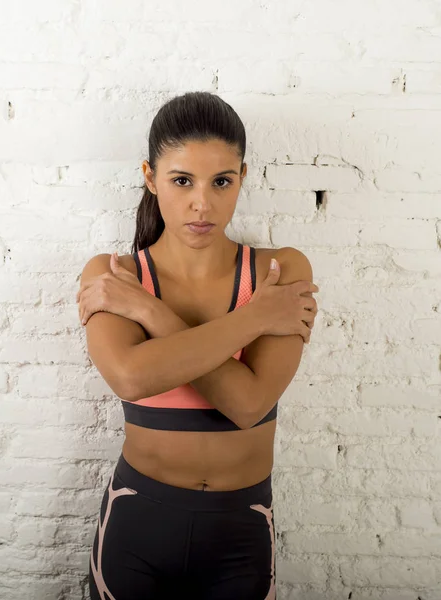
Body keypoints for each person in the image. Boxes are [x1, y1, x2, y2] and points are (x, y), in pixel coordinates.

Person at [76, 91, 319, 600]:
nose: (201, 204)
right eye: (181, 180)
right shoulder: (116, 275)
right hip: (137, 523)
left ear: (243, 178)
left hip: (241, 530)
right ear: (150, 176)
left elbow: (249, 405)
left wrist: (147, 313)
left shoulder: (278, 272)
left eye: (221, 181)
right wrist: (251, 318)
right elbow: (130, 376)